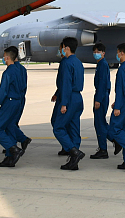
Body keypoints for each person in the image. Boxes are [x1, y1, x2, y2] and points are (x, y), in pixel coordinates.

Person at [0, 46, 26, 167]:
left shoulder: (8, 72)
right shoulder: (20, 70)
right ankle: (9, 157)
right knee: (10, 127)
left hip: (9, 102)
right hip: (18, 101)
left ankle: (14, 149)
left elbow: (3, 91)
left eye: (4, 56)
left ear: (7, 57)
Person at [53, 37, 85, 171]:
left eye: (62, 47)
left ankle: (74, 152)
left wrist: (64, 103)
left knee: (58, 127)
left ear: (66, 47)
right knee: (73, 128)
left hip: (69, 98)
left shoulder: (66, 63)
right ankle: (74, 160)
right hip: (77, 97)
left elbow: (66, 83)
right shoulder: (78, 62)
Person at [90, 43, 111, 159]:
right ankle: (111, 141)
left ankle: (104, 148)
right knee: (100, 122)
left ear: (103, 53)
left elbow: (102, 84)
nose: (96, 54)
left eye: (98, 51)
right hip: (102, 94)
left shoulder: (102, 65)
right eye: (95, 52)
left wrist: (98, 99)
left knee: (99, 123)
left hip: (101, 96)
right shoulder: (101, 64)